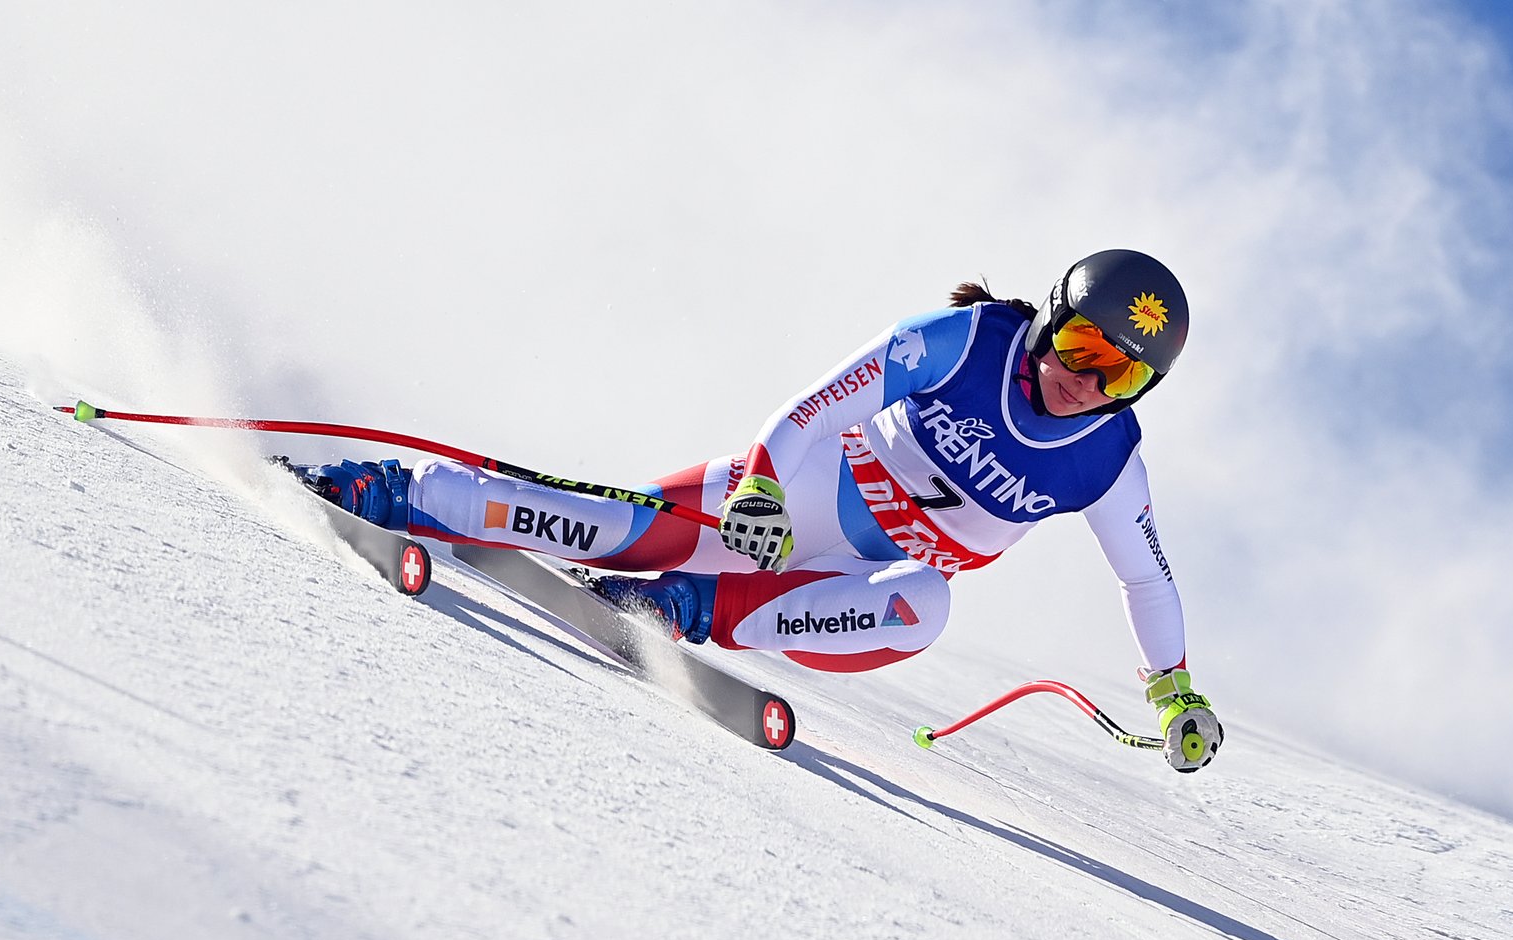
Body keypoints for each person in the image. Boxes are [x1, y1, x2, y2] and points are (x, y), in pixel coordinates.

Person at [297, 250, 1223, 771]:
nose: (1084, 379)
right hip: (796, 498)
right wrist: (764, 486)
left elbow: (1144, 575)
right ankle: (390, 494)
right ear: (1052, 316)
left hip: (855, 576)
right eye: (1082, 343)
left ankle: (681, 610)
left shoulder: (1107, 458)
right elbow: (813, 409)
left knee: (927, 607)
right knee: (598, 527)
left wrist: (1173, 692)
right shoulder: (967, 340)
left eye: (1122, 372)